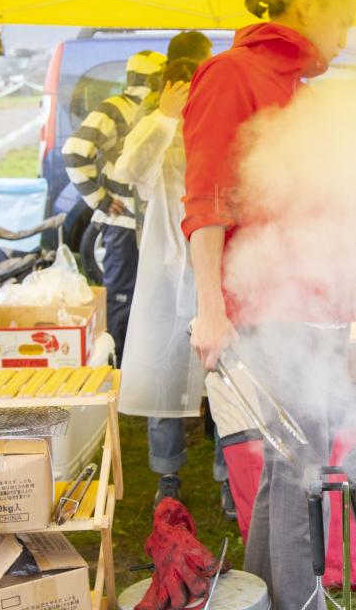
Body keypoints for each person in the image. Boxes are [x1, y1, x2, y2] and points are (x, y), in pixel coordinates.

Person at [181, 0, 356, 610]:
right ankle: (299, 603)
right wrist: (208, 310)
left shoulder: (303, 95)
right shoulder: (231, 75)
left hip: (312, 305)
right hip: (264, 307)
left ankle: (259, 598)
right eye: (342, 22)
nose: (343, 41)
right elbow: (204, 200)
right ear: (307, 4)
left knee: (291, 467)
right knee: (302, 471)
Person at [116, 59, 211, 504]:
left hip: (211, 269)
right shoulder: (157, 133)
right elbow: (132, 169)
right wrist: (165, 117)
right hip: (166, 274)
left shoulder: (217, 129)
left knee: (223, 379)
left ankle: (229, 475)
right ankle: (168, 477)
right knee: (163, 376)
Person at [62, 50, 166, 361]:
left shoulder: (151, 110)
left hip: (144, 222)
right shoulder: (114, 109)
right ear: (155, 78)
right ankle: (119, 366)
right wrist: (101, 199)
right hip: (123, 225)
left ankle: (134, 362)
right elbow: (74, 152)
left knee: (140, 295)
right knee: (122, 296)